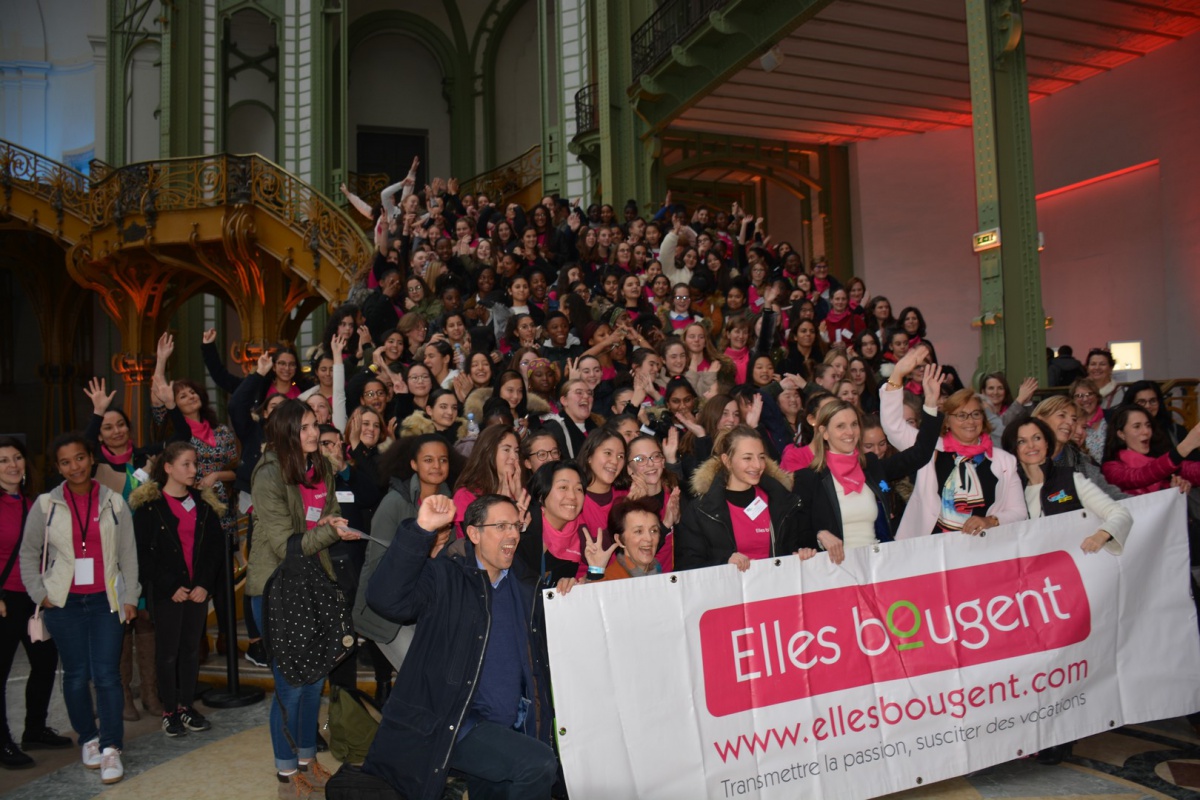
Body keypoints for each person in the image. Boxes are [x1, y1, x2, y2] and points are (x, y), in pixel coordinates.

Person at [361, 494, 559, 800]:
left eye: (516, 526)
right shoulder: (447, 577)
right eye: (501, 526)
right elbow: (384, 598)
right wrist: (421, 530)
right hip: (456, 722)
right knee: (537, 764)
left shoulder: (524, 586)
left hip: (508, 722)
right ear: (474, 534)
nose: (512, 535)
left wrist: (588, 579)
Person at [244, 400, 359, 798]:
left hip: (314, 580)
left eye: (315, 425)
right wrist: (330, 530)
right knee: (291, 685)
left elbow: (330, 510)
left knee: (314, 682)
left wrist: (331, 523)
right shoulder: (268, 473)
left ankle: (308, 761)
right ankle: (286, 770)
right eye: (304, 427)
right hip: (276, 586)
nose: (313, 433)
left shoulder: (322, 466)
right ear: (285, 433)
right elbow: (283, 544)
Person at [20, 434, 140, 785]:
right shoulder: (45, 505)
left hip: (106, 601)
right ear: (58, 467)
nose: (75, 467)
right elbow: (29, 553)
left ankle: (111, 747)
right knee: (75, 674)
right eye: (65, 462)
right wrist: (40, 593)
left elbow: (128, 553)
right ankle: (88, 738)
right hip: (64, 602)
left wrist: (131, 596)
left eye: (80, 458)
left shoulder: (114, 502)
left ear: (91, 458)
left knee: (107, 675)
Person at [794, 368, 944, 562]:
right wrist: (819, 535)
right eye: (840, 426)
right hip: (835, 570)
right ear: (824, 432)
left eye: (854, 424)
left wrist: (930, 403)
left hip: (878, 566)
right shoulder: (808, 478)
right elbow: (798, 533)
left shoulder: (870, 466)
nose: (850, 432)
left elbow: (920, 454)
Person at [880, 345, 1027, 539]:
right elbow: (893, 426)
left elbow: (1019, 512)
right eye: (961, 415)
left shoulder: (1004, 461)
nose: (970, 421)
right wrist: (897, 374)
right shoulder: (930, 447)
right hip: (931, 548)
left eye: (976, 414)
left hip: (982, 549)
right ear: (947, 421)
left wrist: (990, 520)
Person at [129, 442, 223, 738]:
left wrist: (204, 584)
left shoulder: (204, 504)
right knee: (167, 652)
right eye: (186, 464)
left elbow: (214, 550)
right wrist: (170, 586)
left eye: (195, 464)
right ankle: (169, 710)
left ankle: (186, 706)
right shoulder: (150, 507)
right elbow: (143, 554)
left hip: (197, 591)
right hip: (168, 593)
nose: (194, 470)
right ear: (168, 468)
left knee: (191, 650)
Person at [354, 434, 454, 693]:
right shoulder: (394, 504)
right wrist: (426, 548)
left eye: (443, 460)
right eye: (428, 460)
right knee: (422, 682)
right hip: (384, 614)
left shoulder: (451, 504)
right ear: (413, 464)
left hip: (423, 609)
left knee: (434, 681)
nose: (436, 466)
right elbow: (377, 567)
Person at [0, 437, 69, 769]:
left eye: (17, 458)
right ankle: (2, 742)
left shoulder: (35, 504)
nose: (12, 465)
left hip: (35, 597)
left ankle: (35, 729)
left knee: (45, 663)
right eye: (3, 460)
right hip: (4, 599)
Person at [676, 425, 807, 571]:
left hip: (776, 583)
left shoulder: (781, 500)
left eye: (761, 457)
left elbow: (795, 547)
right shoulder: (701, 510)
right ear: (727, 461)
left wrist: (803, 553)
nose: (757, 465)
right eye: (747, 458)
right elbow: (688, 567)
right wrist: (724, 563)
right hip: (729, 585)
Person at [1002, 417, 1132, 556]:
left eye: (1037, 438)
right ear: (1013, 449)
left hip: (1079, 563)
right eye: (1022, 441)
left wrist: (1102, 535)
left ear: (1047, 443)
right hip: (1038, 566)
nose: (1031, 445)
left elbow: (1120, 514)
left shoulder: (1072, 479)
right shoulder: (1012, 493)